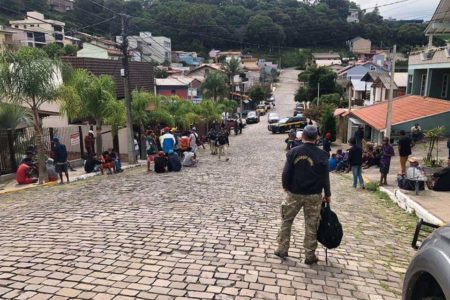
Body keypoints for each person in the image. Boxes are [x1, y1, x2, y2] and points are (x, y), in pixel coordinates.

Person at [275, 125, 331, 265]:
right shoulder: (323, 155)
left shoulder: (293, 152)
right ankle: (309, 255)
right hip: (314, 195)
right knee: (311, 225)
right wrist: (327, 194)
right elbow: (325, 177)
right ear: (317, 137)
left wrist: (285, 186)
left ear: (303, 136)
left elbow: (286, 172)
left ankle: (282, 250)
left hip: (294, 194)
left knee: (286, 221)